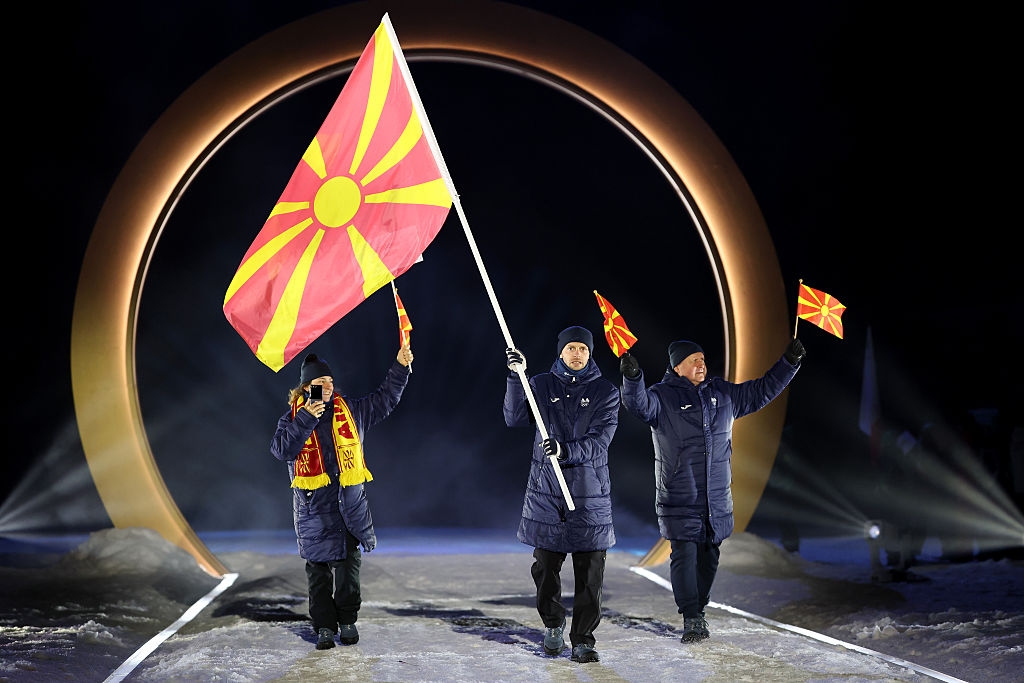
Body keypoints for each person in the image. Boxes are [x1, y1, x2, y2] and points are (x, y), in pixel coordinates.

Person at [619, 336, 804, 643]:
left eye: (703, 358)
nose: (701, 363)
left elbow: (761, 390)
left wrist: (789, 363)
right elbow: (637, 404)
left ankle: (698, 610)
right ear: (678, 367)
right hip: (679, 496)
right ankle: (691, 615)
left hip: (716, 497)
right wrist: (632, 377)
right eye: (694, 360)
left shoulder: (722, 393)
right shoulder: (661, 396)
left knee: (709, 557)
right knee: (684, 553)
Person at [271, 346, 413, 650]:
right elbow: (282, 450)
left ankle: (347, 620)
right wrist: (306, 418)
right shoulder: (292, 419)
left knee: (349, 570)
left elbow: (384, 399)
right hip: (313, 511)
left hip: (348, 508)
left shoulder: (350, 410)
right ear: (306, 388)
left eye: (331, 382)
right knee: (318, 574)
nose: (329, 387)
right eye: (322, 383)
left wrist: (400, 367)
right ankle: (324, 627)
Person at [504, 326, 619, 663]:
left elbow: (600, 441)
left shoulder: (605, 391)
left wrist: (565, 450)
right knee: (544, 566)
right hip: (547, 493)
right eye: (571, 347)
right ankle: (553, 623)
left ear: (590, 353)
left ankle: (583, 638)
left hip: (589, 494)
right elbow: (513, 417)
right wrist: (516, 377)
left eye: (583, 348)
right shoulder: (539, 384)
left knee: (591, 571)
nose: (577, 353)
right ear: (560, 352)